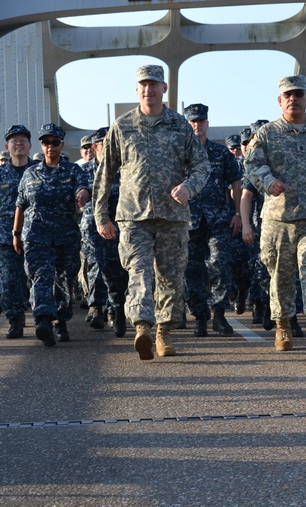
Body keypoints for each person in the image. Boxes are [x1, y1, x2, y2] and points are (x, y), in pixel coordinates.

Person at [93, 65, 210, 360]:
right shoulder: (122, 126)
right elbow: (104, 174)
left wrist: (188, 187)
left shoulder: (180, 125)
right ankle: (143, 327)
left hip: (173, 215)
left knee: (170, 277)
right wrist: (101, 216)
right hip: (133, 216)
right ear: (136, 90)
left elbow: (202, 166)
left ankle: (164, 333)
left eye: (154, 84)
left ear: (164, 88)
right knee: (140, 273)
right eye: (143, 85)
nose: (149, 90)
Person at [244, 74, 306, 354]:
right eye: (288, 95)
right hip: (279, 220)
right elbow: (251, 166)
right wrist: (268, 181)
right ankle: (283, 325)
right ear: (280, 101)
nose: (293, 99)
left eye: (298, 94)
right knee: (281, 275)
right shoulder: (267, 134)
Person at [13, 124, 91, 346]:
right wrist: (16, 234)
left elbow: (83, 187)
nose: (50, 146)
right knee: (41, 275)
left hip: (65, 236)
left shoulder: (73, 171)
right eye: (46, 142)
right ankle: (43, 320)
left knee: (65, 279)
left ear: (61, 144)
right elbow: (20, 205)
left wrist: (83, 195)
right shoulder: (30, 174)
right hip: (37, 235)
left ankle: (61, 321)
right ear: (41, 145)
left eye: (54, 142)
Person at [183, 103, 243, 337]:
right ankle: (200, 317)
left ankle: (219, 315)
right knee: (192, 269)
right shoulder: (181, 153)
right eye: (193, 122)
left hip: (219, 220)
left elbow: (236, 181)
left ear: (207, 124)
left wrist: (237, 213)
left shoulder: (221, 153)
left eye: (201, 121)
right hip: (190, 221)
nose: (197, 125)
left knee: (220, 264)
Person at [80, 127, 130, 336]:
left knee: (117, 269)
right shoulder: (84, 171)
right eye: (104, 144)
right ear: (95, 147)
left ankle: (115, 307)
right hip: (93, 227)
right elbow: (79, 189)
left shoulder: (125, 170)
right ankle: (96, 305)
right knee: (95, 266)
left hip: (118, 226)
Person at [0, 125, 39, 338]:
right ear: (6, 146)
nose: (18, 143)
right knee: (10, 280)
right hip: (5, 234)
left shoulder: (39, 170)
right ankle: (15, 320)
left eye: (23, 140)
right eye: (14, 140)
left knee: (39, 278)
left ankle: (43, 318)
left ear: (30, 146)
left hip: (37, 234)